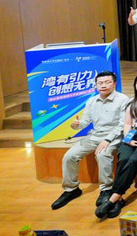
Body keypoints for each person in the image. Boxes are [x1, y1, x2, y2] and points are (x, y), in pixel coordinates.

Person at [51, 71, 129, 210]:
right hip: (94, 136)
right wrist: (77, 125)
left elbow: (122, 125)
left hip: (113, 137)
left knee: (102, 154)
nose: (103, 85)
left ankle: (106, 189)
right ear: (96, 85)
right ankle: (71, 189)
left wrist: (107, 140)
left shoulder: (123, 100)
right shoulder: (92, 101)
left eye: (107, 82)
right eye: (100, 83)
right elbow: (85, 121)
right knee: (69, 156)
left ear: (114, 84)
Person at [95, 71, 137, 219]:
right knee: (124, 158)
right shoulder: (131, 101)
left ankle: (113, 198)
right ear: (135, 85)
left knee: (134, 160)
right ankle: (118, 199)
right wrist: (127, 139)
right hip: (132, 134)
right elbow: (127, 124)